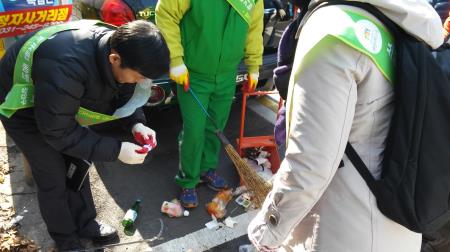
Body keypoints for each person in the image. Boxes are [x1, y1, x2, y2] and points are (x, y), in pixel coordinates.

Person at [248, 0, 443, 251]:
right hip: (398, 226)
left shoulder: (331, 31)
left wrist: (267, 230)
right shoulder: (398, 17)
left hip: (341, 229)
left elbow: (310, 162)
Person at [0, 20, 170, 250]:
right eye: (140, 76)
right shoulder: (68, 65)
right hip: (20, 104)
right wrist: (117, 150)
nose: (141, 82)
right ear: (114, 59)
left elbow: (125, 91)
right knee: (52, 173)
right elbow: (57, 133)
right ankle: (66, 239)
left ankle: (85, 223)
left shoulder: (123, 48)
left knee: (78, 162)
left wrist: (136, 124)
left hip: (57, 98)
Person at [155, 0, 263, 208]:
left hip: (227, 75)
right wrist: (175, 60)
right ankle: (188, 180)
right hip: (194, 74)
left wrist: (254, 65)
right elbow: (166, 14)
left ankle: (206, 168)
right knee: (194, 130)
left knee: (216, 126)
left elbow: (254, 28)